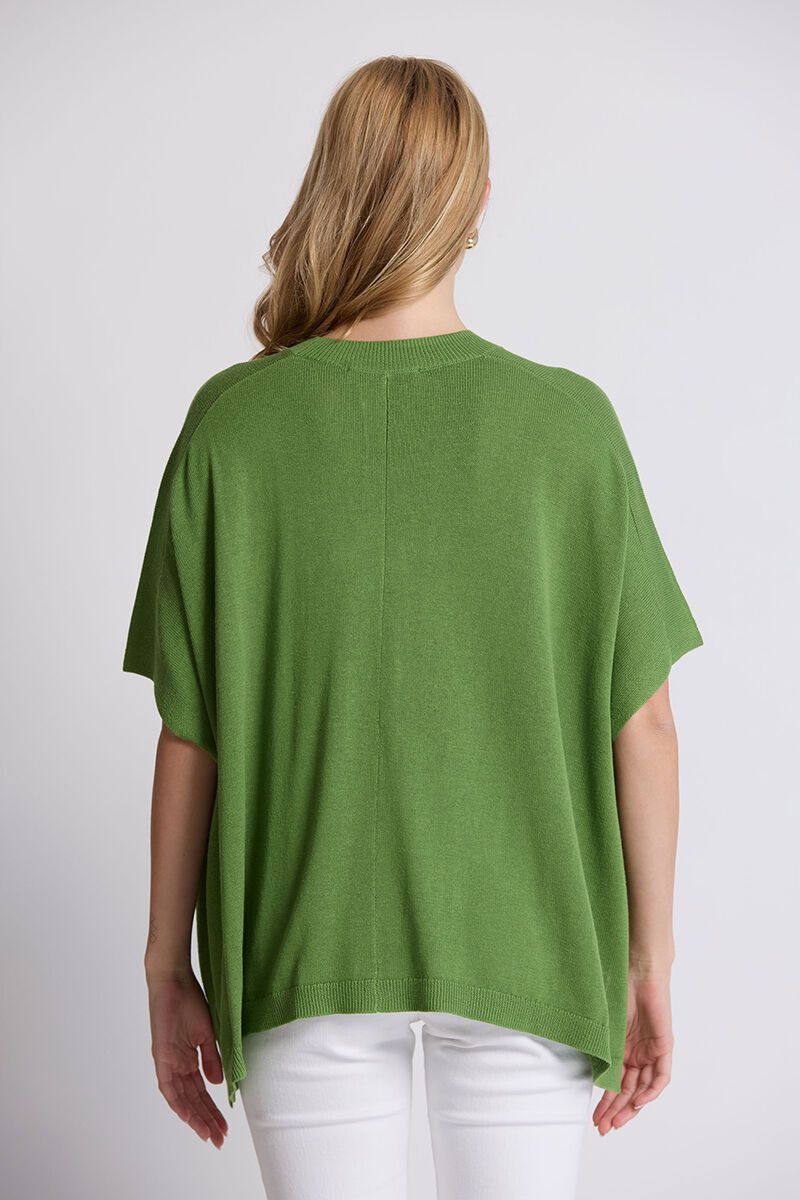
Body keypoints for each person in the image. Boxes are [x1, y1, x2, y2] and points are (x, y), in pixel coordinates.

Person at [123, 55, 703, 1200]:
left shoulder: (232, 425)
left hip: (303, 948)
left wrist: (164, 966)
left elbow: (190, 730)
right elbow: (642, 723)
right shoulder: (567, 427)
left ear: (331, 183)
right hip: (529, 952)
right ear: (476, 201)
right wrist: (648, 961)